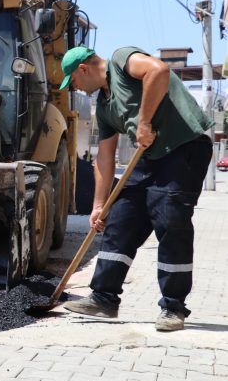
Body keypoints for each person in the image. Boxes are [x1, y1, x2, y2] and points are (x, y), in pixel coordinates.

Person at [59, 46, 213, 331]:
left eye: (75, 82)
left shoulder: (121, 61)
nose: (77, 89)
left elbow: (159, 71)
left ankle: (173, 307)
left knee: (170, 219)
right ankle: (104, 298)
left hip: (184, 146)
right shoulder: (104, 108)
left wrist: (143, 122)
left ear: (84, 69)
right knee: (120, 218)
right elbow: (104, 158)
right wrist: (98, 205)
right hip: (150, 155)